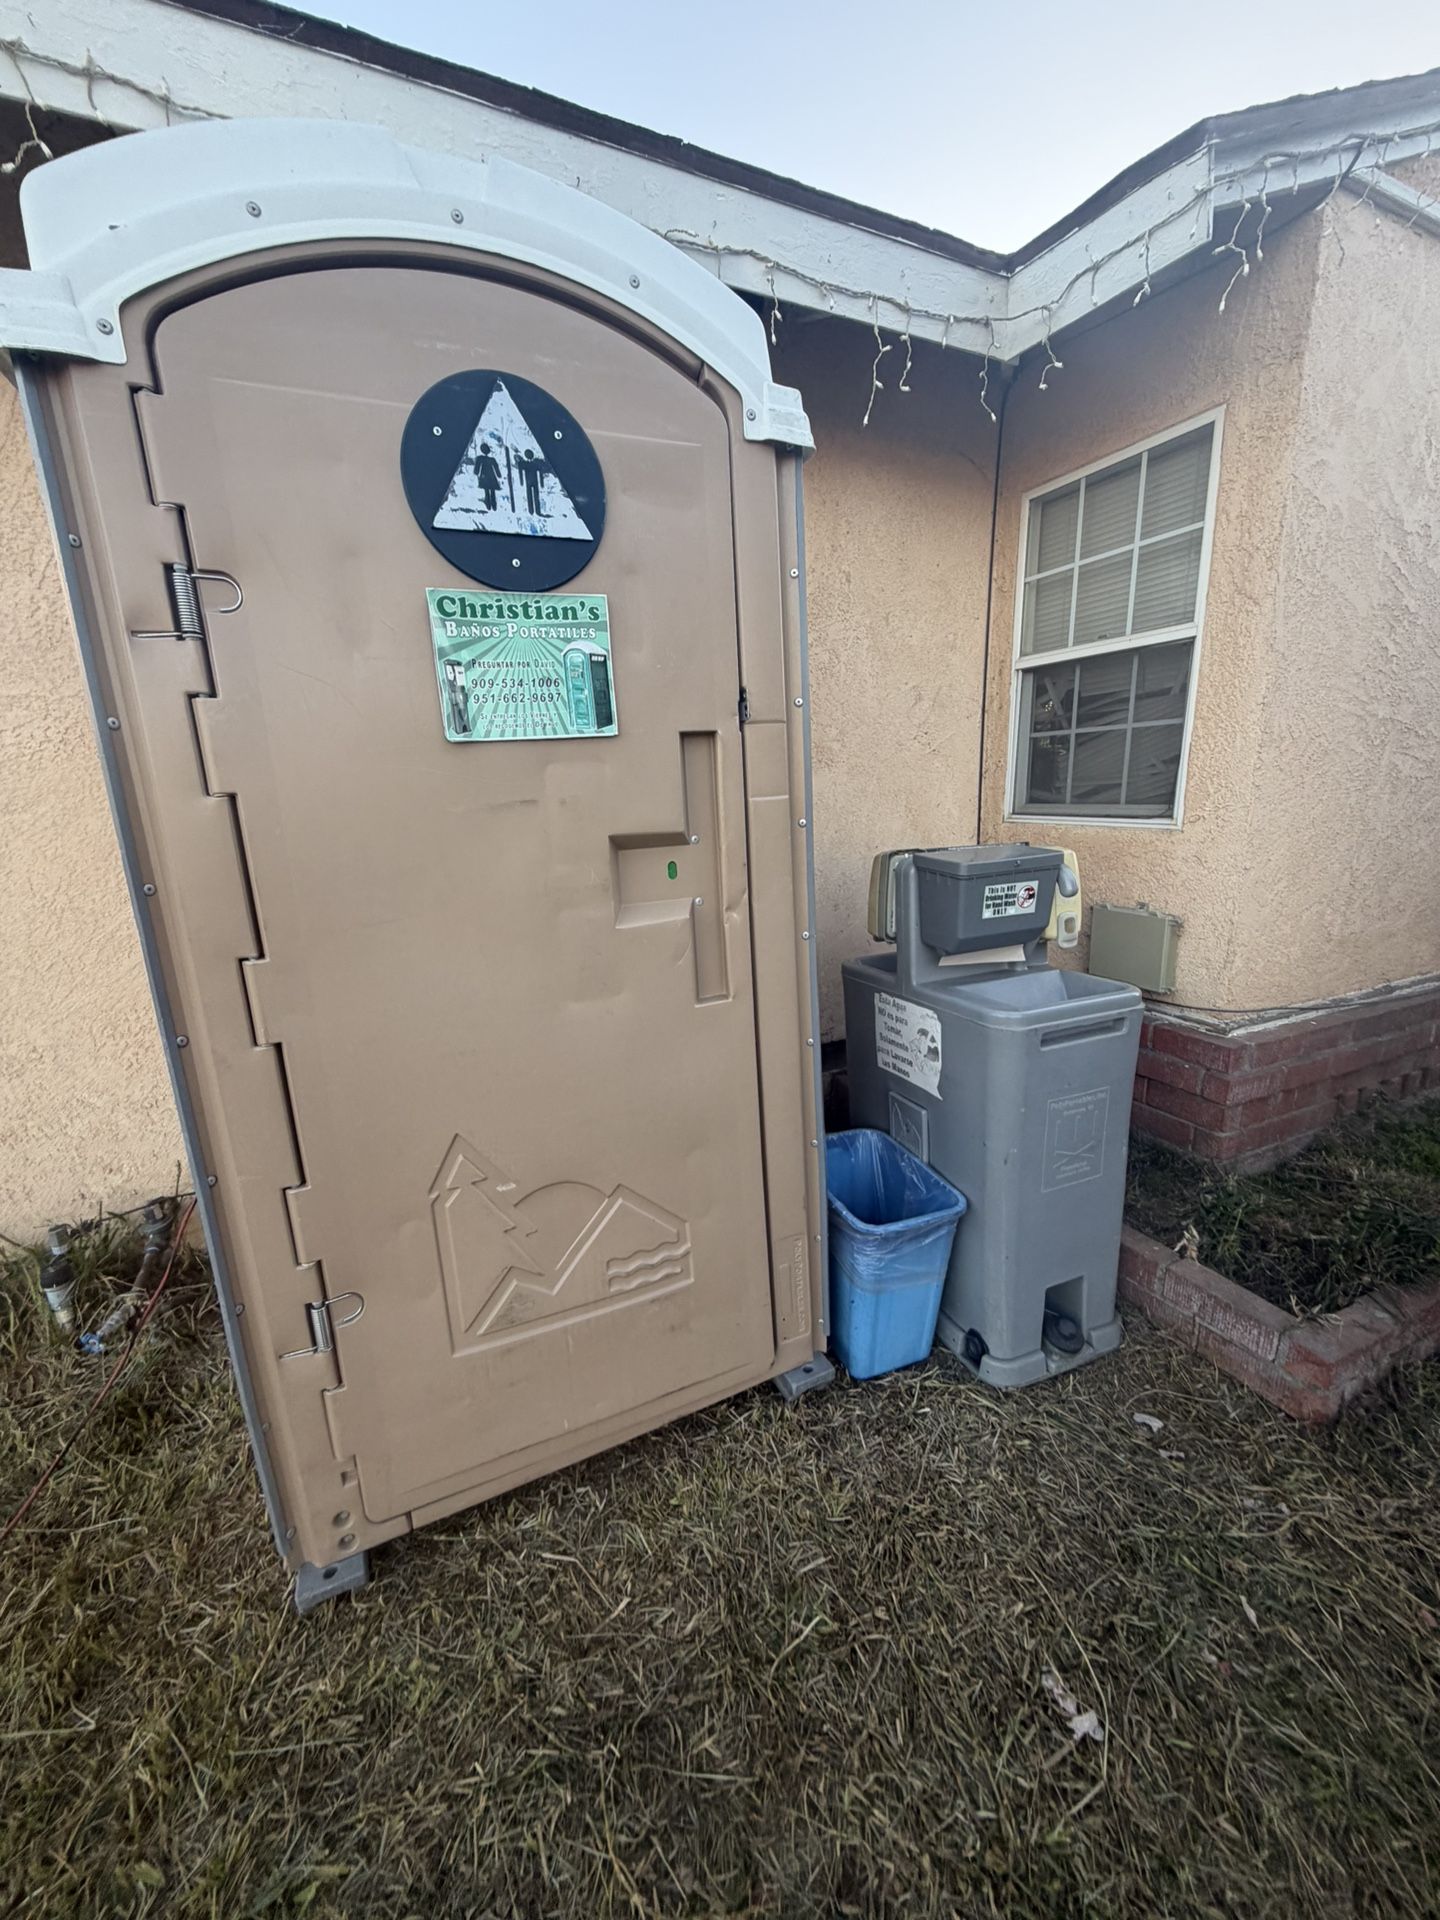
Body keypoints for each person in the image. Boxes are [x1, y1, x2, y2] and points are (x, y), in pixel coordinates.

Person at [473, 441, 502, 514]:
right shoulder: (492, 459)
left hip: (484, 476)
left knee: (487, 491)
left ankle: (489, 505)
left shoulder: (480, 458)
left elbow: (477, 467)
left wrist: (476, 472)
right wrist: (498, 475)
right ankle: (493, 506)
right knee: (492, 491)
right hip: (491, 476)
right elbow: (496, 467)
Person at [520, 447, 548, 518]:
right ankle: (537, 511)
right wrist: (541, 483)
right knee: (535, 496)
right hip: (534, 482)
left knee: (530, 496)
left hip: (528, 482)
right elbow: (540, 474)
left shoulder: (525, 464)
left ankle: (531, 511)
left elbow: (521, 472)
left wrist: (522, 482)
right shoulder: (534, 464)